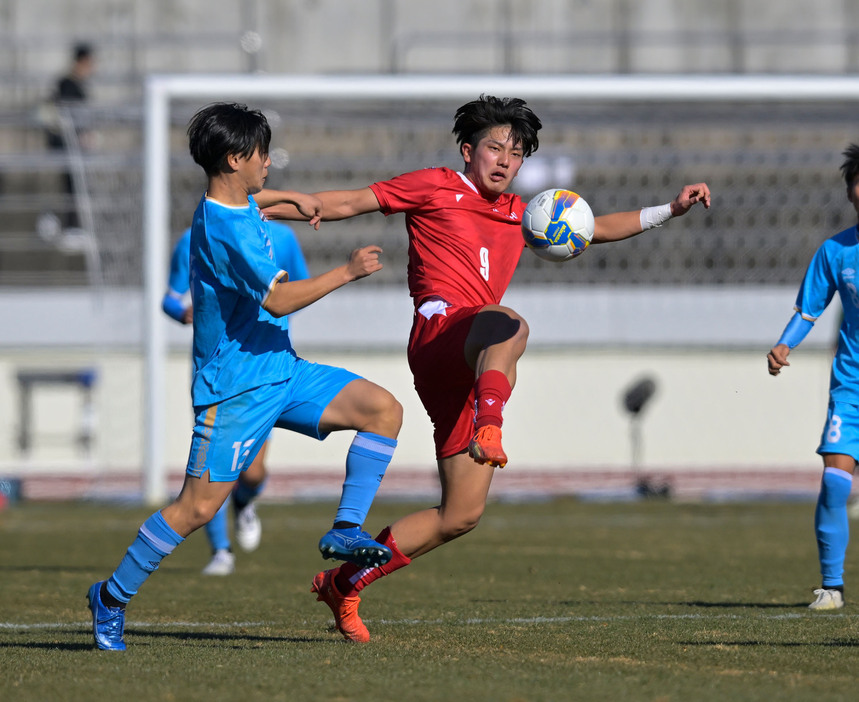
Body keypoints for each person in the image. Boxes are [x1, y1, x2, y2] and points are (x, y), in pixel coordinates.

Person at [263, 94, 712, 642]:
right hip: (440, 335)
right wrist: (251, 206)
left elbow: (594, 227)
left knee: (461, 514)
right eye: (496, 147)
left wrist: (670, 209)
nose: (505, 160)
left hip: (471, 362)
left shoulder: (523, 214)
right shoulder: (434, 185)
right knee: (510, 323)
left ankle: (344, 584)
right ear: (468, 149)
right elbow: (345, 202)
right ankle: (490, 424)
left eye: (517, 153)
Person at [86, 102, 403, 651]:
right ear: (235, 158)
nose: (268, 163)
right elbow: (278, 300)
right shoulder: (224, 229)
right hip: (234, 392)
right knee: (196, 509)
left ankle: (346, 528)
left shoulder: (231, 204)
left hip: (283, 373)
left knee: (383, 410)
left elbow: (256, 202)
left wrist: (291, 200)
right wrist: (345, 272)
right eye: (262, 154)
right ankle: (111, 598)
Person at [162, 222, 310, 575]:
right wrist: (184, 312)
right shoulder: (197, 235)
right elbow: (169, 297)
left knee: (253, 471)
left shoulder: (283, 237)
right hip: (216, 366)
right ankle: (221, 552)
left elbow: (301, 286)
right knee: (214, 465)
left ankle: (244, 502)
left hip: (264, 365)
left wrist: (273, 307)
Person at [767, 142, 859, 611]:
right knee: (835, 482)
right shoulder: (836, 252)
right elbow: (809, 310)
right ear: (850, 191)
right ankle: (832, 587)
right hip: (852, 387)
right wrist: (786, 343)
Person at [44, 42, 95, 228]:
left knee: (75, 185)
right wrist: (81, 135)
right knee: (71, 185)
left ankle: (72, 226)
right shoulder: (67, 85)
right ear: (82, 62)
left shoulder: (73, 85)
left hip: (72, 145)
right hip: (66, 145)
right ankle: (70, 226)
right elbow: (65, 115)